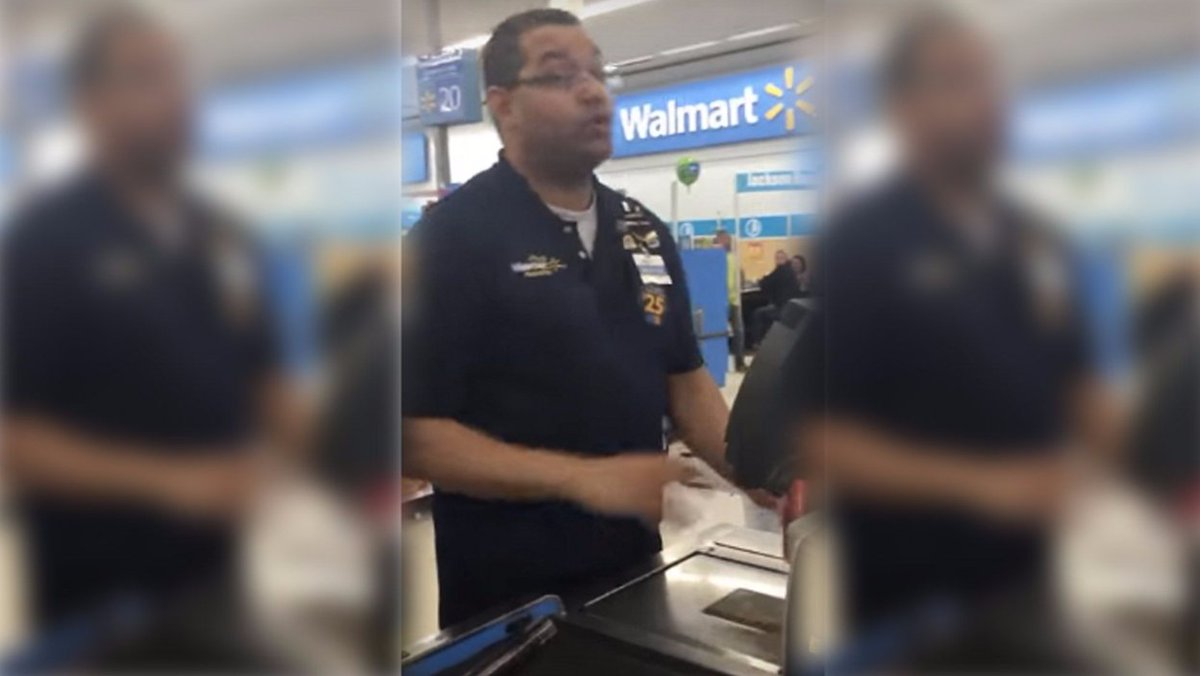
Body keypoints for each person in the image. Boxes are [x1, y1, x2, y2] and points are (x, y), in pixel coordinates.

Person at [402, 8, 761, 627]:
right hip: (510, 600)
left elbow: (686, 383)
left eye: (598, 72)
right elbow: (413, 435)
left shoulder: (643, 231)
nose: (593, 91)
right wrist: (582, 479)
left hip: (635, 574)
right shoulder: (451, 239)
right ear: (504, 105)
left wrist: (766, 474)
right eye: (561, 75)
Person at [797, 11, 1123, 630]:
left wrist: (1142, 476)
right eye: (956, 80)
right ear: (903, 108)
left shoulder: (1038, 240)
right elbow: (830, 443)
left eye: (989, 79)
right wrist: (988, 486)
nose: (986, 100)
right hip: (915, 600)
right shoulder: (863, 244)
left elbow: (1080, 385)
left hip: (1039, 581)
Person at [1, 7, 306, 628]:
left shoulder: (223, 236)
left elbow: (265, 379)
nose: (175, 98)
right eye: (144, 77)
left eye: (178, 76)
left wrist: (312, 460)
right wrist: (176, 483)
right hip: (103, 601)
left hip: (226, 580)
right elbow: (17, 439)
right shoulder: (43, 244)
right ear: (89, 104)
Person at [751, 249, 802, 347]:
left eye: (780, 258)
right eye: (777, 258)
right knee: (766, 312)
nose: (778, 260)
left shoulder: (781, 269)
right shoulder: (790, 271)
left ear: (786, 259)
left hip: (782, 307)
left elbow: (765, 283)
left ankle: (758, 342)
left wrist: (760, 281)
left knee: (757, 313)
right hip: (789, 306)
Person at [715, 229, 746, 371]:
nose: (726, 241)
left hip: (734, 300)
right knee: (721, 333)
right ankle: (720, 364)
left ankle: (739, 362)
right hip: (721, 300)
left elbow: (739, 275)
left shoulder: (733, 257)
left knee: (738, 332)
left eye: (727, 238)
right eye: (722, 238)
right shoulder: (715, 258)